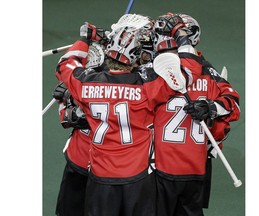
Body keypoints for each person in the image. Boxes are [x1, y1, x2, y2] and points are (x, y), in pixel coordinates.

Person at [55, 18, 179, 216]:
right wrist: (168, 42)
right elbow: (178, 76)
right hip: (137, 177)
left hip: (100, 177)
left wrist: (86, 39)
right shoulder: (148, 88)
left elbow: (65, 63)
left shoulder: (86, 84)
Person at [153, 13, 241, 216]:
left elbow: (233, 106)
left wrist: (210, 107)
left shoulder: (152, 72)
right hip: (189, 164)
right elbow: (233, 105)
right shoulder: (208, 73)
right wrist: (212, 107)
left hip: (165, 164)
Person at [52, 40, 107, 216]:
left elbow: (65, 64)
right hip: (81, 163)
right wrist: (69, 103)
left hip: (103, 171)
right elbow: (66, 120)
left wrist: (83, 40)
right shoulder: (78, 84)